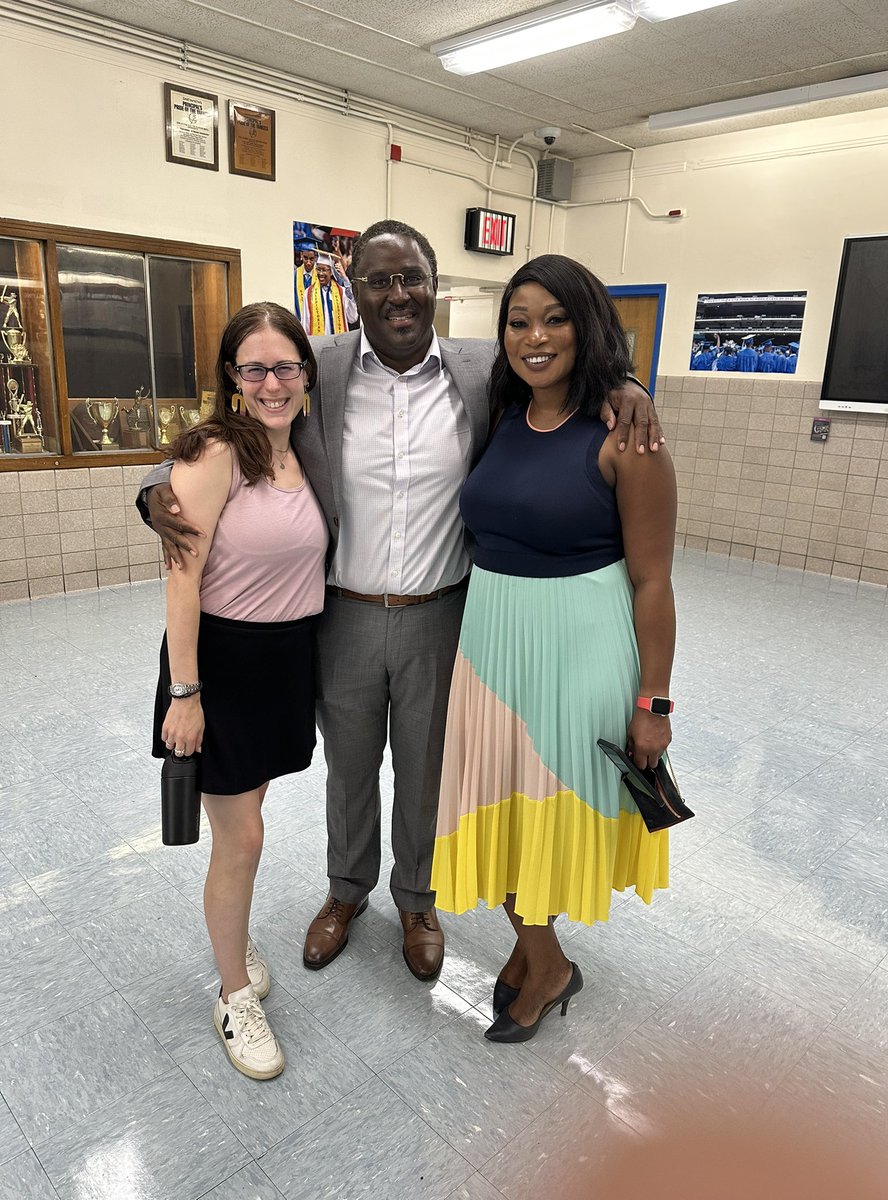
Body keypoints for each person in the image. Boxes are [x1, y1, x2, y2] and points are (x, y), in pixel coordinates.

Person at [138, 219, 663, 987]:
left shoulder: (487, 369)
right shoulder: (316, 366)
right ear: (354, 293)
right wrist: (152, 484)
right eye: (378, 281)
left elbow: (575, 370)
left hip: (445, 612)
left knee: (426, 770)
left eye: (411, 277)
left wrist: (630, 386)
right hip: (342, 612)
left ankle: (418, 901)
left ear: (436, 284)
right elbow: (237, 405)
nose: (397, 294)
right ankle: (346, 893)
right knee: (349, 769)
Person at [431, 254, 677, 1043]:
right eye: (518, 320)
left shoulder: (626, 437)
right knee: (496, 810)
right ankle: (536, 953)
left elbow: (654, 584)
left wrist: (654, 706)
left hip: (577, 652)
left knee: (538, 817)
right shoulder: (502, 412)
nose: (535, 337)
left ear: (588, 325)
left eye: (556, 318)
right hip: (491, 647)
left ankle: (547, 966)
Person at [151, 301, 327, 1079]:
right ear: (231, 378)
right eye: (253, 368)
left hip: (284, 663)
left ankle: (236, 931)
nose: (271, 382)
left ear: (306, 372)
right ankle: (232, 995)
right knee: (243, 839)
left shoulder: (303, 451)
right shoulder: (217, 451)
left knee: (247, 821)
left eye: (285, 365)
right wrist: (184, 693)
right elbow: (180, 582)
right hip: (217, 665)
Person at [301, 254, 358, 335]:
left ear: (331, 272)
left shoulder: (341, 292)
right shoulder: (308, 293)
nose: (320, 273)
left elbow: (353, 318)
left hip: (337, 344)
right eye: (318, 269)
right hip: (318, 344)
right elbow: (305, 323)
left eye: (324, 270)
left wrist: (344, 277)